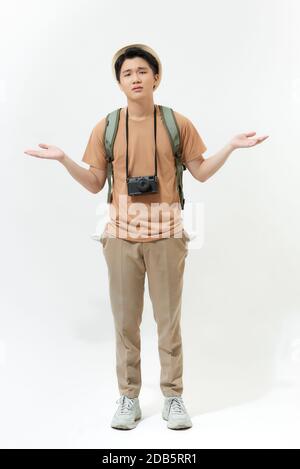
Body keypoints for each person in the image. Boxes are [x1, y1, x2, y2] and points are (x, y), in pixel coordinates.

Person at [24, 43, 269, 431]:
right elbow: (93, 183)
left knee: (168, 321)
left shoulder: (176, 123)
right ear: (119, 82)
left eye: (142, 71)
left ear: (156, 77)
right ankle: (129, 398)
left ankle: (173, 398)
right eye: (127, 73)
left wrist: (232, 147)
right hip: (120, 238)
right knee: (126, 323)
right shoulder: (107, 126)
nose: (135, 78)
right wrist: (63, 159)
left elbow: (201, 172)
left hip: (168, 236)